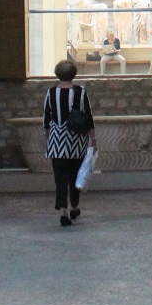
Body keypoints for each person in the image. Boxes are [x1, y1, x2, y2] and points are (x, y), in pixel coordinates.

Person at [43, 60, 94, 227]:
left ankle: (62, 211)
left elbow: (46, 118)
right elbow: (88, 116)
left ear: (57, 74)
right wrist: (93, 139)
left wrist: (48, 139)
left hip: (57, 141)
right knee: (75, 176)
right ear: (74, 74)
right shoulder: (81, 92)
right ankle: (74, 206)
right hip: (76, 140)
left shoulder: (51, 93)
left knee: (60, 178)